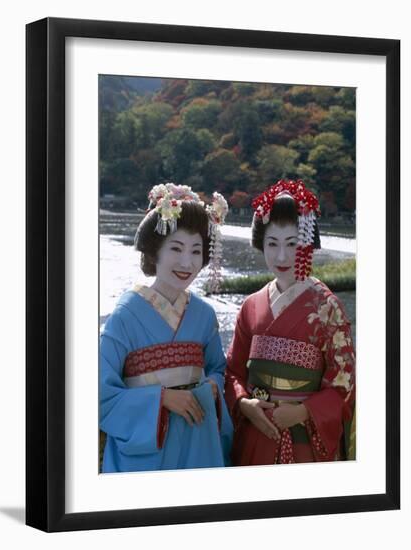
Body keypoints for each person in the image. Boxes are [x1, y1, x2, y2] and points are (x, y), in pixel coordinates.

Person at [100, 183, 233, 473]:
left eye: (196, 250)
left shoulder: (204, 315)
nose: (187, 262)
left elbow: (218, 369)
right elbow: (100, 392)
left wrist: (212, 385)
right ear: (154, 251)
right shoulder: (125, 315)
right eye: (176, 248)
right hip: (147, 452)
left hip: (198, 439)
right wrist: (161, 400)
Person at [225, 179, 355, 465]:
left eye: (292, 243)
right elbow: (233, 371)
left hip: (304, 439)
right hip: (256, 432)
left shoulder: (327, 306)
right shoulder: (250, 306)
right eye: (272, 243)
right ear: (261, 244)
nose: (281, 256)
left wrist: (303, 412)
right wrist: (244, 404)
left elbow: (343, 383)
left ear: (308, 244)